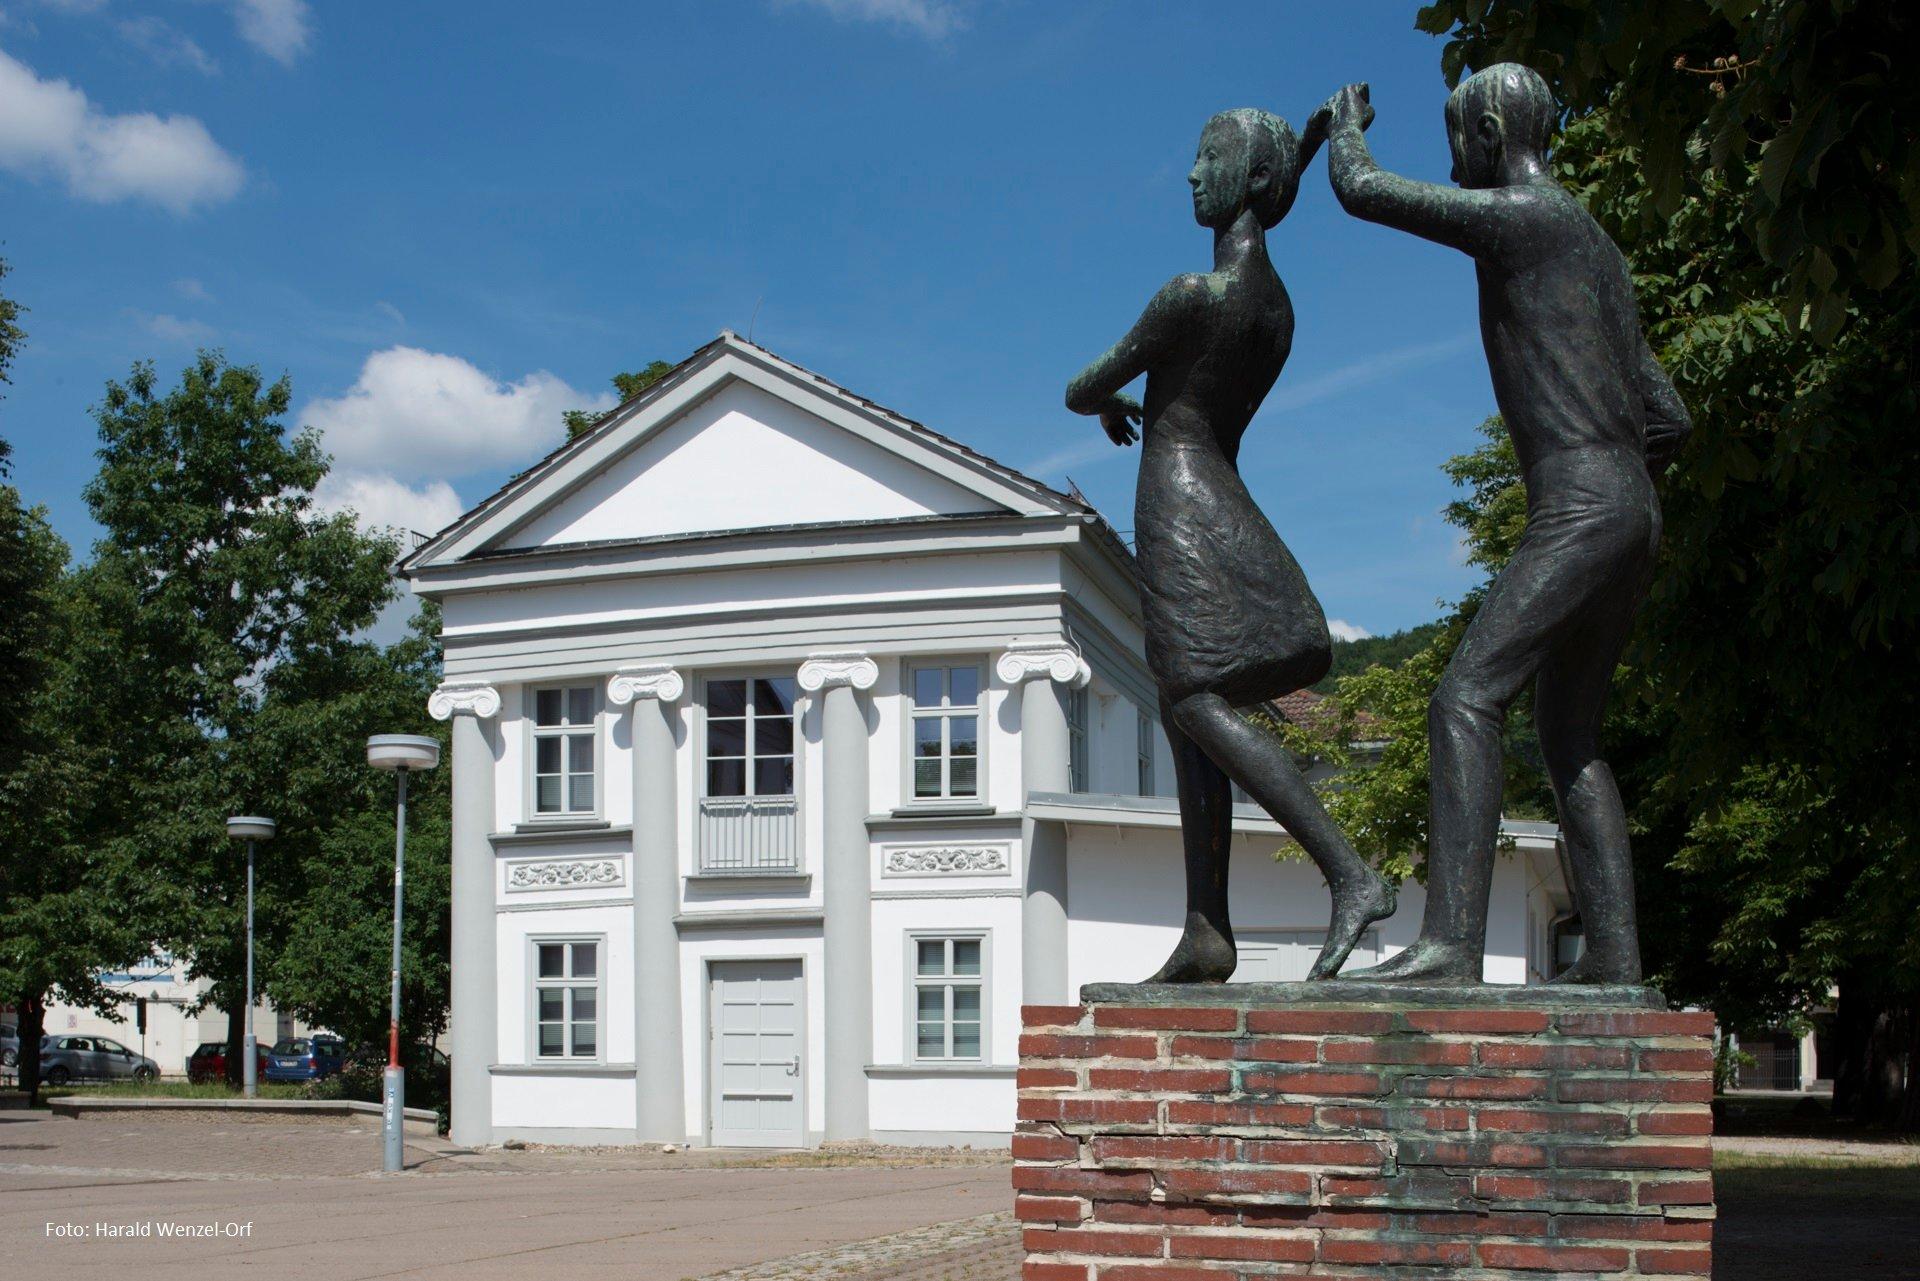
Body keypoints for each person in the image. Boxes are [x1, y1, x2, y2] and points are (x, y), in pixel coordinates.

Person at [1318, 68, 1691, 984]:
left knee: (1463, 700)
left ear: (1487, 132)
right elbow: (1672, 419)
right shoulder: (1598, 250)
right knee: (1570, 737)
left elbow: (1362, 191)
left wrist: (1346, 126)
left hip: (1580, 502)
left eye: (1459, 143)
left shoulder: (1527, 215)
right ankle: (1613, 950)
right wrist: (1616, 488)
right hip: (1631, 509)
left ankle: (1451, 944)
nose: (1458, 162)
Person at [1065, 107, 1397, 984]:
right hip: (1223, 489)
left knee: (1193, 697)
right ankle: (1206, 928)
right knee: (1188, 709)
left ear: (1252, 178)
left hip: (1178, 503)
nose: (1190, 173)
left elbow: (1079, 386)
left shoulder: (1192, 295)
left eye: (1209, 156)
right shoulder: (1274, 304)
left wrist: (1109, 397)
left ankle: (1349, 870)